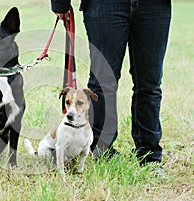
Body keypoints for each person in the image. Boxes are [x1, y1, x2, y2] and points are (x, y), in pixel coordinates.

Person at [50, 0, 171, 166]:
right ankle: (102, 152)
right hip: (104, 5)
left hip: (155, 6)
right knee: (102, 83)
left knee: (150, 83)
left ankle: (149, 156)